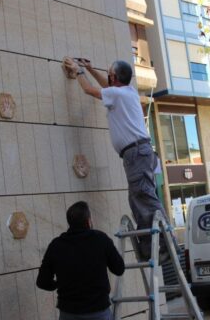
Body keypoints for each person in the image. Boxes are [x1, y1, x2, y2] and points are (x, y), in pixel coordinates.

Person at [71, 57, 171, 261]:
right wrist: (90, 67)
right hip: (138, 153)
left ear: (114, 77)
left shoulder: (118, 94)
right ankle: (150, 244)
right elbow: (106, 86)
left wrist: (78, 71)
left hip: (136, 153)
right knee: (138, 200)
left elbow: (90, 90)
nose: (108, 76)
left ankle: (163, 242)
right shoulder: (127, 92)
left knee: (143, 197)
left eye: (109, 73)